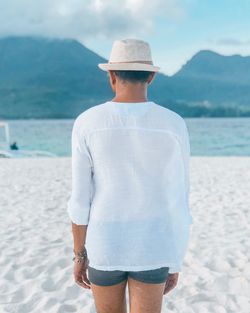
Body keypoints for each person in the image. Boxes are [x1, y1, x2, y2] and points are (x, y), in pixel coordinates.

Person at [67, 38, 193, 313]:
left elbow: (80, 200)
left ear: (111, 75)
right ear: (151, 76)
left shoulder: (87, 122)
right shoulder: (173, 124)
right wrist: (174, 260)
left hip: (105, 243)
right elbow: (179, 198)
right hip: (154, 243)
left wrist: (79, 255)